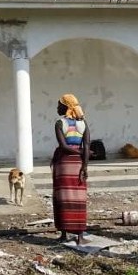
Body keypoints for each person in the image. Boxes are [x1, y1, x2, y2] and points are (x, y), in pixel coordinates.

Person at [52, 94, 90, 245]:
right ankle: (80, 236)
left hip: (64, 163)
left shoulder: (60, 123)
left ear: (66, 107)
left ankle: (64, 234)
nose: (57, 107)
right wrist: (85, 166)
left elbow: (64, 146)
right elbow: (86, 146)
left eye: (59, 105)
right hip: (78, 164)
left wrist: (80, 153)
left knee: (63, 197)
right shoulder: (83, 124)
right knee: (79, 198)